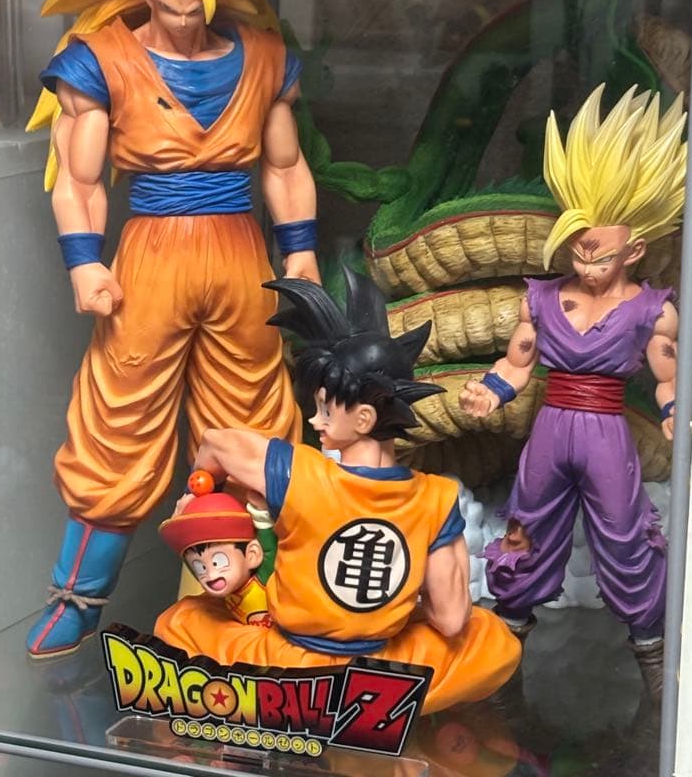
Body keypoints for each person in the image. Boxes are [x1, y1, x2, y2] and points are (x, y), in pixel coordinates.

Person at [26, 0, 318, 658]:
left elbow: (285, 166)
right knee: (118, 420)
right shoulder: (101, 61)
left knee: (254, 418)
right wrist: (84, 260)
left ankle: (255, 596)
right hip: (149, 254)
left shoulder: (264, 57)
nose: (186, 15)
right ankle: (79, 595)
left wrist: (299, 250)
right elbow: (79, 180)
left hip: (241, 254)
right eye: (170, 0)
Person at [154, 268, 521, 715]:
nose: (315, 421)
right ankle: (368, 702)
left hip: (287, 664)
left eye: (325, 409)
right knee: (490, 639)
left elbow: (214, 443)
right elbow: (450, 619)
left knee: (181, 622)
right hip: (378, 668)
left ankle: (297, 700)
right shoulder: (436, 498)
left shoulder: (295, 470)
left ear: (363, 419)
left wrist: (199, 494)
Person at [459, 85, 685, 697]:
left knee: (626, 534)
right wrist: (490, 392)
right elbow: (517, 364)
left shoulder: (652, 310)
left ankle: (652, 652)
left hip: (607, 433)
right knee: (525, 529)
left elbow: (667, 376)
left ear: (634, 251)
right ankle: (504, 650)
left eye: (600, 257)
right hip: (551, 428)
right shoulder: (541, 298)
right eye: (579, 253)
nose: (586, 267)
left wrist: (674, 412)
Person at [160, 490, 276, 627]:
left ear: (252, 555)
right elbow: (189, 561)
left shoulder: (262, 580)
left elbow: (269, 549)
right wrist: (179, 524)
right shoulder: (228, 589)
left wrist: (261, 513)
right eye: (201, 568)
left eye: (219, 562)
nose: (211, 575)